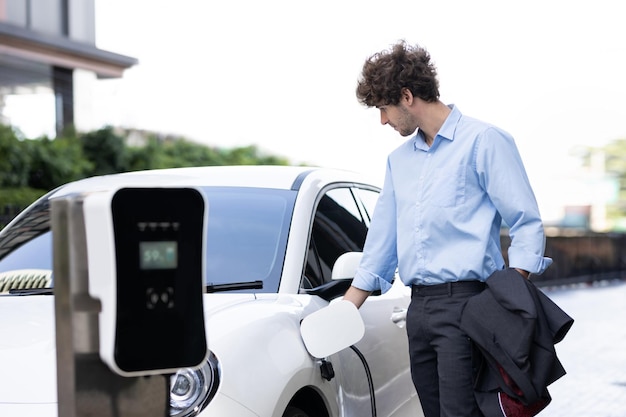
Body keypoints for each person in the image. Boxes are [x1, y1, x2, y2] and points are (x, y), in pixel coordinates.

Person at [343, 40, 552, 417]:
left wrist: (508, 299)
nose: (383, 121)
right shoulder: (398, 161)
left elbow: (526, 221)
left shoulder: (484, 141)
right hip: (418, 310)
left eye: (384, 109)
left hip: (469, 304)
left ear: (406, 96)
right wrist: (346, 307)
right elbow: (383, 240)